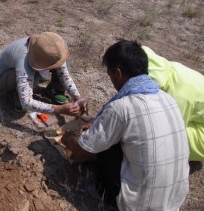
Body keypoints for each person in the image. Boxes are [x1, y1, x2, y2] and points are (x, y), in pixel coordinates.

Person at [61, 40, 190, 210]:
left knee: (106, 144)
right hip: (175, 199)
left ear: (118, 73)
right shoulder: (167, 98)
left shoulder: (121, 107)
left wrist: (68, 138)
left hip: (139, 205)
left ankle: (105, 194)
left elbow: (83, 148)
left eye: (110, 74)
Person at [0, 32, 87, 116]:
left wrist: (78, 98)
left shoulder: (50, 49)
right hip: (5, 76)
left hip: (22, 68)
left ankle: (54, 90)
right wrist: (59, 109)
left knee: (61, 60)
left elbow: (64, 74)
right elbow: (26, 102)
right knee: (33, 82)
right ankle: (16, 96)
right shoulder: (24, 61)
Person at [142, 45, 204, 163]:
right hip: (198, 117)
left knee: (155, 133)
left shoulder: (177, 94)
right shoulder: (165, 69)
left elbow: (170, 130)